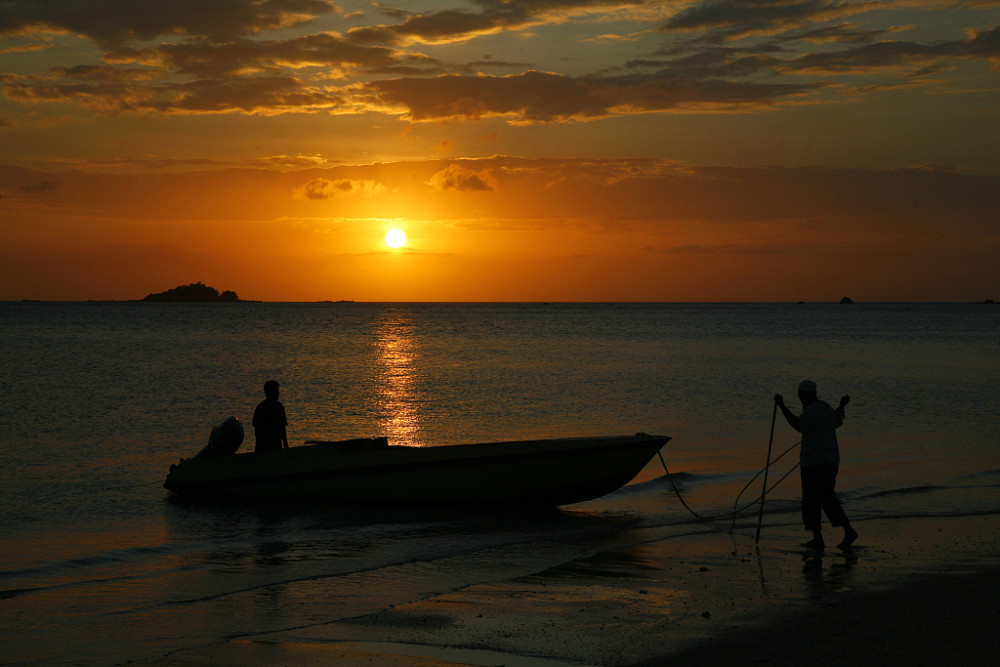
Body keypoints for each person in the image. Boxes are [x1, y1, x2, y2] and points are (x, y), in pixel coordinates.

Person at [774, 380, 858, 550]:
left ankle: (821, 537)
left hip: (815, 462)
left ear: (804, 395)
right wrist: (842, 405)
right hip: (831, 460)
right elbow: (838, 419)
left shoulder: (812, 410)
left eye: (800, 395)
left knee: (812, 499)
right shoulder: (825, 408)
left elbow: (799, 425)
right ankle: (842, 532)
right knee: (826, 497)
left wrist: (782, 406)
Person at [252, 380, 288, 453]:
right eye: (276, 391)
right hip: (267, 445)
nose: (278, 393)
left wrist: (285, 443)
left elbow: (282, 427)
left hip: (271, 444)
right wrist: (285, 443)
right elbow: (282, 428)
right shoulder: (275, 407)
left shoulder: (261, 407)